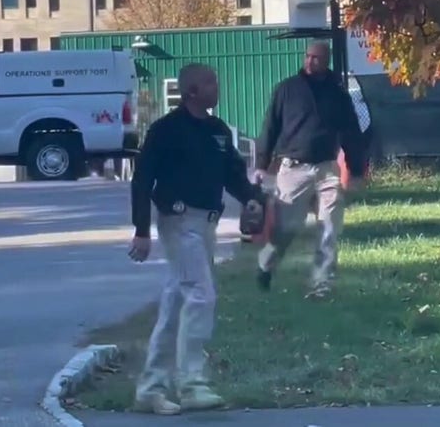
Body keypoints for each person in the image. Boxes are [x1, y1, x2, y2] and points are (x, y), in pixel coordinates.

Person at [128, 63, 264, 415]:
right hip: (177, 221)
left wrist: (251, 197)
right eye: (209, 82)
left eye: (215, 81)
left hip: (206, 225)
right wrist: (141, 230)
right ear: (191, 90)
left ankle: (151, 389)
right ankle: (192, 385)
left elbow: (232, 173)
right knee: (201, 295)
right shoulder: (166, 130)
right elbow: (142, 180)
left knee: (177, 305)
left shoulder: (218, 131)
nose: (216, 87)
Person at [253, 40, 367, 299]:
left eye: (316, 58)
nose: (310, 61)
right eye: (308, 57)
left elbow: (351, 133)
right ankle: (266, 266)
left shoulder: (337, 95)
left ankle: (321, 284)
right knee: (285, 229)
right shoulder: (287, 90)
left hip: (327, 168)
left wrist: (356, 169)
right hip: (293, 168)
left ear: (326, 61)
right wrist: (261, 165)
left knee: (329, 227)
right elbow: (269, 127)